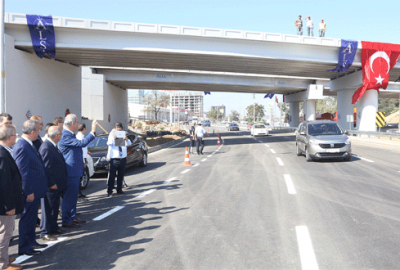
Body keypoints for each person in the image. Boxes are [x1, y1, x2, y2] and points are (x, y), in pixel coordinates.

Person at [13, 120, 48, 256]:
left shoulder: (29, 144)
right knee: (27, 218)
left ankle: (32, 241)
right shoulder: (22, 146)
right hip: (29, 191)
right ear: (32, 132)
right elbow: (23, 172)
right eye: (38, 131)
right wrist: (28, 191)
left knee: (33, 218)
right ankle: (24, 247)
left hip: (34, 189)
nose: (39, 133)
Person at [58, 114, 96, 228]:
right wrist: (92, 131)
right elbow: (81, 144)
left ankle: (72, 217)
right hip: (70, 171)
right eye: (77, 122)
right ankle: (66, 219)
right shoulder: (65, 135)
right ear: (73, 124)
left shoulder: (70, 134)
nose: (78, 124)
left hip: (74, 171)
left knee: (73, 196)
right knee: (69, 197)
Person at [0, 124, 23, 270]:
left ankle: (5, 258)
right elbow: (4, 183)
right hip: (5, 205)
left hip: (6, 203)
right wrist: (9, 206)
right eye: (15, 135)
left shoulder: (5, 152)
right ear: (9, 138)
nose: (17, 137)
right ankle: (2, 264)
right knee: (5, 234)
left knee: (6, 233)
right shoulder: (2, 155)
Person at [39, 126, 68, 241]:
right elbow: (46, 168)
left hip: (57, 184)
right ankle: (45, 232)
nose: (61, 136)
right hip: (51, 185)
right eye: (60, 134)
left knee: (54, 207)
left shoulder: (53, 146)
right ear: (56, 136)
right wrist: (51, 183)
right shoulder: (46, 147)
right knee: (47, 208)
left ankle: (53, 227)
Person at [106, 122, 132, 197]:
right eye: (118, 130)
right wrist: (113, 138)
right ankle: (110, 191)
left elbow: (129, 144)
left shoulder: (123, 135)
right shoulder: (112, 135)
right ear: (115, 129)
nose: (119, 131)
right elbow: (108, 143)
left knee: (121, 175)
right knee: (112, 175)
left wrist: (126, 139)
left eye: (120, 130)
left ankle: (119, 189)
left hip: (122, 158)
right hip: (115, 159)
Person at [76, 123, 89, 200]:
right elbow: (83, 150)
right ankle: (78, 193)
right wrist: (84, 160)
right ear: (84, 129)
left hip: (82, 158)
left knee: (80, 177)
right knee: (80, 177)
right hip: (81, 159)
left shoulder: (79, 136)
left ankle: (79, 192)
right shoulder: (80, 137)